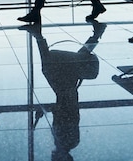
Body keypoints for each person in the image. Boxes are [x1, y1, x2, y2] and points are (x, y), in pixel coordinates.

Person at [20, 22, 106, 161]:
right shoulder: (68, 142)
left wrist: (47, 111)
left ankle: (97, 34)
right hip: (67, 93)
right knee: (48, 67)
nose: (53, 157)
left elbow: (63, 113)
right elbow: (66, 114)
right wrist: (46, 110)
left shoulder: (63, 142)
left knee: (66, 63)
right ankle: (38, 35)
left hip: (66, 92)